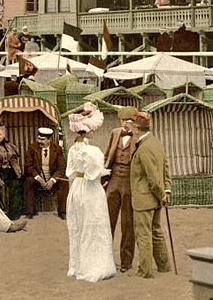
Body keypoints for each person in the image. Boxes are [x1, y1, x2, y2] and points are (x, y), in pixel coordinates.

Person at [65, 102, 116, 282]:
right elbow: (94, 173)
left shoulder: (73, 149)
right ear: (87, 130)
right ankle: (94, 266)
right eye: (93, 128)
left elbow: (70, 172)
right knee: (94, 225)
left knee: (79, 226)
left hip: (77, 187)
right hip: (90, 189)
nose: (95, 131)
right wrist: (106, 172)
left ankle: (78, 266)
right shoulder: (92, 150)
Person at [128, 110, 172, 279]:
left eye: (131, 124)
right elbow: (165, 168)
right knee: (156, 231)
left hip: (145, 198)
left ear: (136, 127)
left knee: (144, 234)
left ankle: (145, 271)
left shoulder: (144, 148)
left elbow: (153, 177)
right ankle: (164, 266)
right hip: (155, 198)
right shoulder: (155, 142)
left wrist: (161, 193)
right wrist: (166, 191)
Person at [103, 106, 139, 273]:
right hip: (114, 180)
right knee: (106, 221)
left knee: (127, 223)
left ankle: (126, 261)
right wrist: (104, 175)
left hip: (130, 182)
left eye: (129, 121)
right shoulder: (115, 133)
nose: (126, 124)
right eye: (123, 121)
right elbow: (107, 155)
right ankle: (104, 258)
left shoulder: (140, 137)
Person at [24, 127, 68, 219]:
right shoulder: (32, 148)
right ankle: (30, 212)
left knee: (64, 181)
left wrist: (52, 180)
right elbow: (28, 166)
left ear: (49, 140)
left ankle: (62, 211)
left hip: (52, 178)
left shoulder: (57, 149)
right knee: (28, 181)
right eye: (38, 138)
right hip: (38, 178)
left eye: (42, 139)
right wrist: (39, 179)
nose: (39, 141)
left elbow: (61, 168)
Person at [0, 124, 24, 220]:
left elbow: (13, 160)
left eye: (0, 134)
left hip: (8, 170)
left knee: (17, 185)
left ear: (4, 135)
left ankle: (14, 213)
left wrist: (17, 170)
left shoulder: (9, 146)